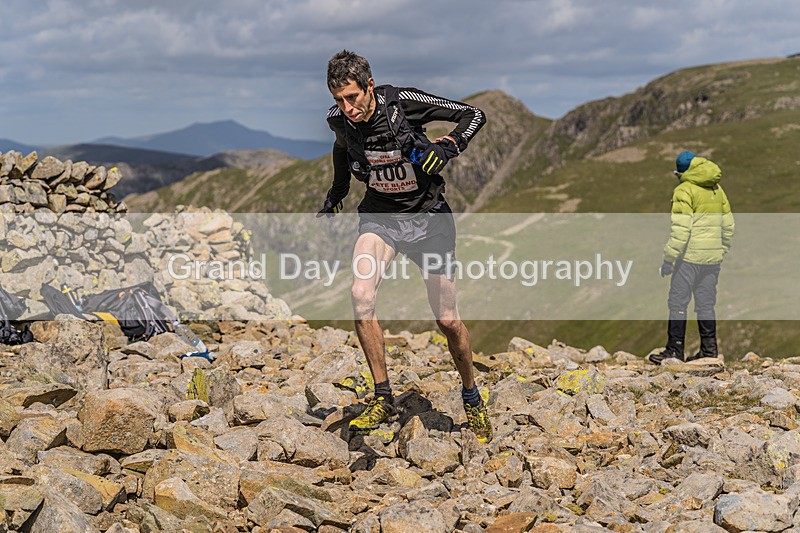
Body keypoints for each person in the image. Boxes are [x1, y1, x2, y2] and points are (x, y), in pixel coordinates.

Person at [317, 50, 492, 443]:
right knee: (361, 294)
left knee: (448, 321)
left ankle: (471, 395)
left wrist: (447, 146)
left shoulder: (403, 103)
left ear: (370, 86)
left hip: (429, 220)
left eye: (352, 97)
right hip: (381, 219)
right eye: (338, 100)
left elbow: (473, 115)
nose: (347, 108)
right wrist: (337, 192)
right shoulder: (339, 119)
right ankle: (383, 398)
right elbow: (342, 148)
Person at [649, 151, 734, 364]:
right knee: (706, 304)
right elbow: (728, 225)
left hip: (689, 259)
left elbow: (681, 231)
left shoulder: (684, 190)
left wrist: (668, 259)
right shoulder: (716, 189)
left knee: (678, 302)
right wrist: (721, 250)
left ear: (681, 172)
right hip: (712, 259)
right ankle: (709, 351)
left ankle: (674, 350)